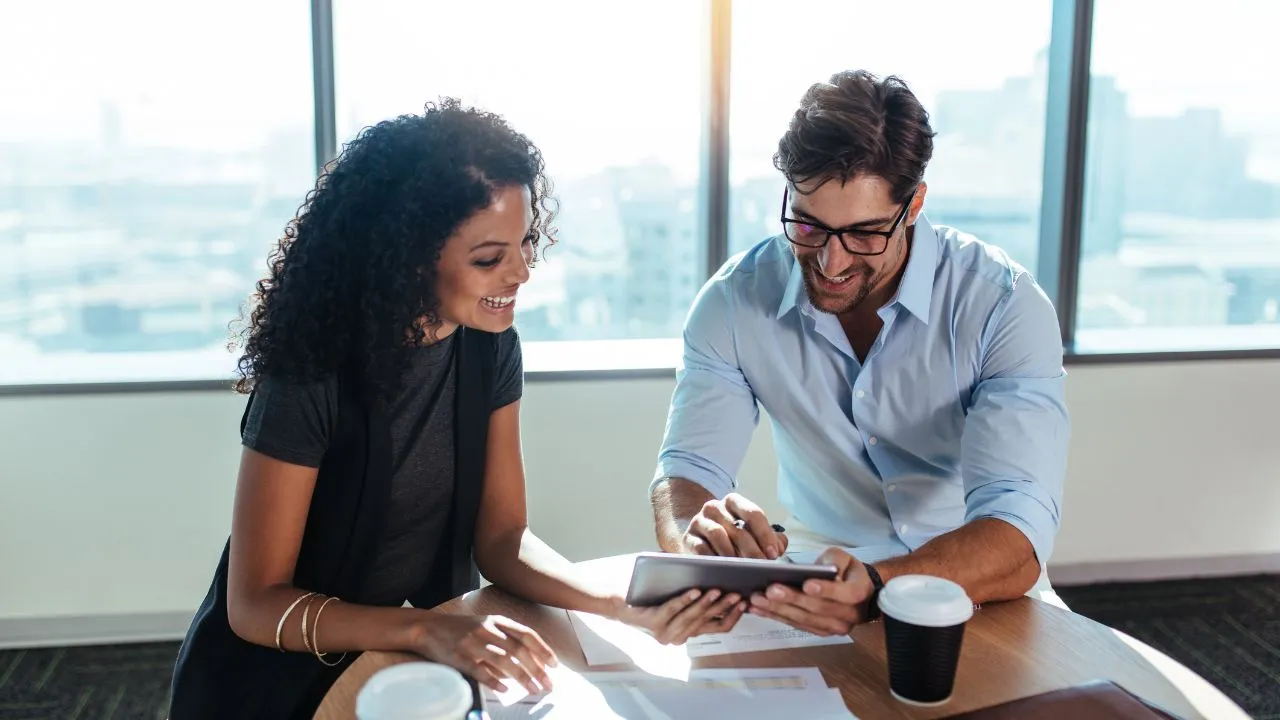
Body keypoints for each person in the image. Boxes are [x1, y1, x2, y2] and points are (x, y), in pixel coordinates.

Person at [169, 100, 746, 720]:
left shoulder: (490, 348)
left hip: (408, 664)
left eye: (525, 243)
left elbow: (501, 538)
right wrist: (425, 630)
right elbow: (254, 605)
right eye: (489, 258)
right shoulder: (310, 374)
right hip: (271, 683)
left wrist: (618, 605)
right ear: (408, 255)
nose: (521, 272)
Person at [649, 70, 1070, 638]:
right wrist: (697, 540)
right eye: (808, 226)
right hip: (816, 567)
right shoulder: (732, 301)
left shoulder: (1002, 305)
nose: (832, 262)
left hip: (974, 576)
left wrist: (878, 585)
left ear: (914, 205)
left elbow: (1017, 527)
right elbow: (687, 470)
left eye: (865, 233)